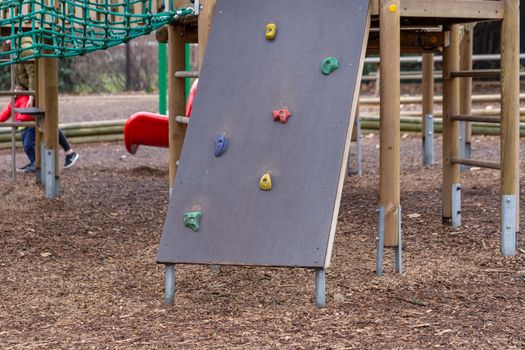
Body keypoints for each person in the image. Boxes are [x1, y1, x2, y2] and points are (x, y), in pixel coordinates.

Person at [2, 37, 79, 172]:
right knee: (44, 125)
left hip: (38, 89)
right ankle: (40, 160)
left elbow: (32, 73)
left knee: (47, 123)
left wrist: (31, 95)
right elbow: (20, 73)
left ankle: (66, 153)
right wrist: (18, 87)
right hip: (29, 90)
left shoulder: (25, 49)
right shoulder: (15, 49)